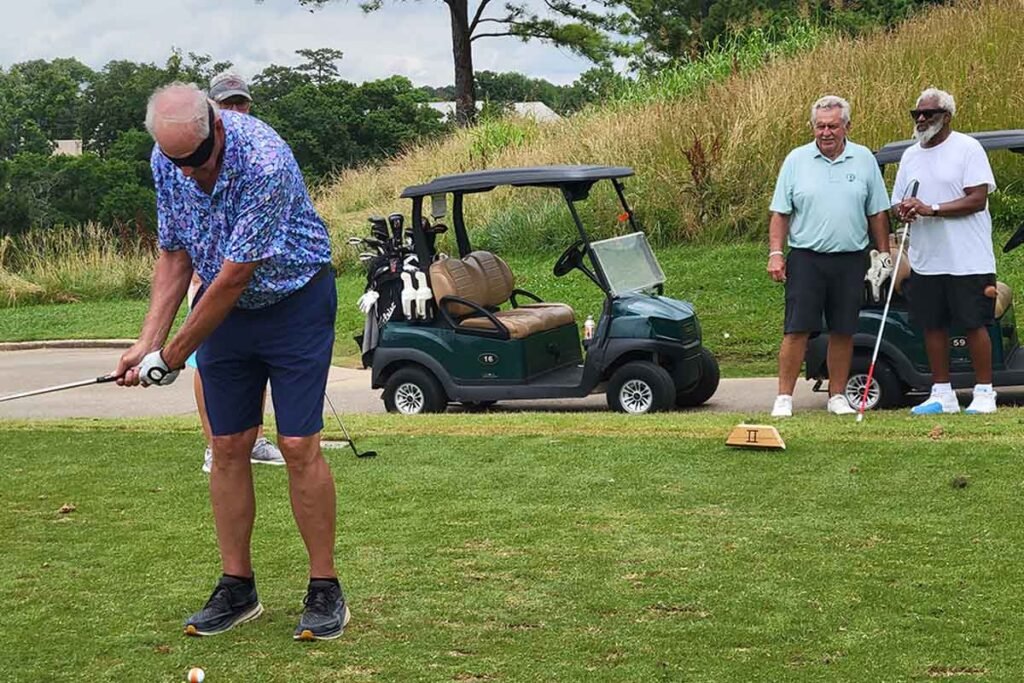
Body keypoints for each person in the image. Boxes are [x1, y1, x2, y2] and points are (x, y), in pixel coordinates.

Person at [114, 82, 348, 641]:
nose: (189, 172)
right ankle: (237, 587)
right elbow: (175, 252)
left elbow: (235, 275)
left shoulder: (264, 160)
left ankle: (325, 588)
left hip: (294, 301)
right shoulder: (169, 157)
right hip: (225, 313)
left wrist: (172, 356)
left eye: (197, 159)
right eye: (177, 161)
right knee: (226, 444)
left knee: (298, 444)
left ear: (217, 125)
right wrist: (147, 342)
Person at [768, 95, 892, 417]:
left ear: (846, 126)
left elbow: (877, 212)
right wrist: (776, 253)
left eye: (833, 126)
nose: (826, 133)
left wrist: (883, 254)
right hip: (806, 258)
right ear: (813, 127)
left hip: (850, 258)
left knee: (843, 329)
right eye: (820, 126)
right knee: (797, 329)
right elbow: (780, 213)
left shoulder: (863, 159)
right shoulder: (796, 159)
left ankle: (837, 396)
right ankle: (784, 398)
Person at [184, 71, 283, 473]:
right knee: (206, 365)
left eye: (240, 102)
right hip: (207, 281)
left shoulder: (260, 151)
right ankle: (213, 443)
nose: (235, 109)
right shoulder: (196, 153)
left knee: (255, 365)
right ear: (212, 110)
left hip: (249, 282)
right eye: (227, 104)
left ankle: (254, 438)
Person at [892, 88, 998, 415]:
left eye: (930, 114)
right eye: (917, 114)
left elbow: (976, 199)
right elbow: (897, 200)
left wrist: (931, 208)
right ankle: (942, 394)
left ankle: (984, 392)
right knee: (932, 324)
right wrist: (904, 210)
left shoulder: (968, 148)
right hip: (927, 258)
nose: (922, 119)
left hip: (967, 257)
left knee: (973, 323)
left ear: (947, 117)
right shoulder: (910, 155)